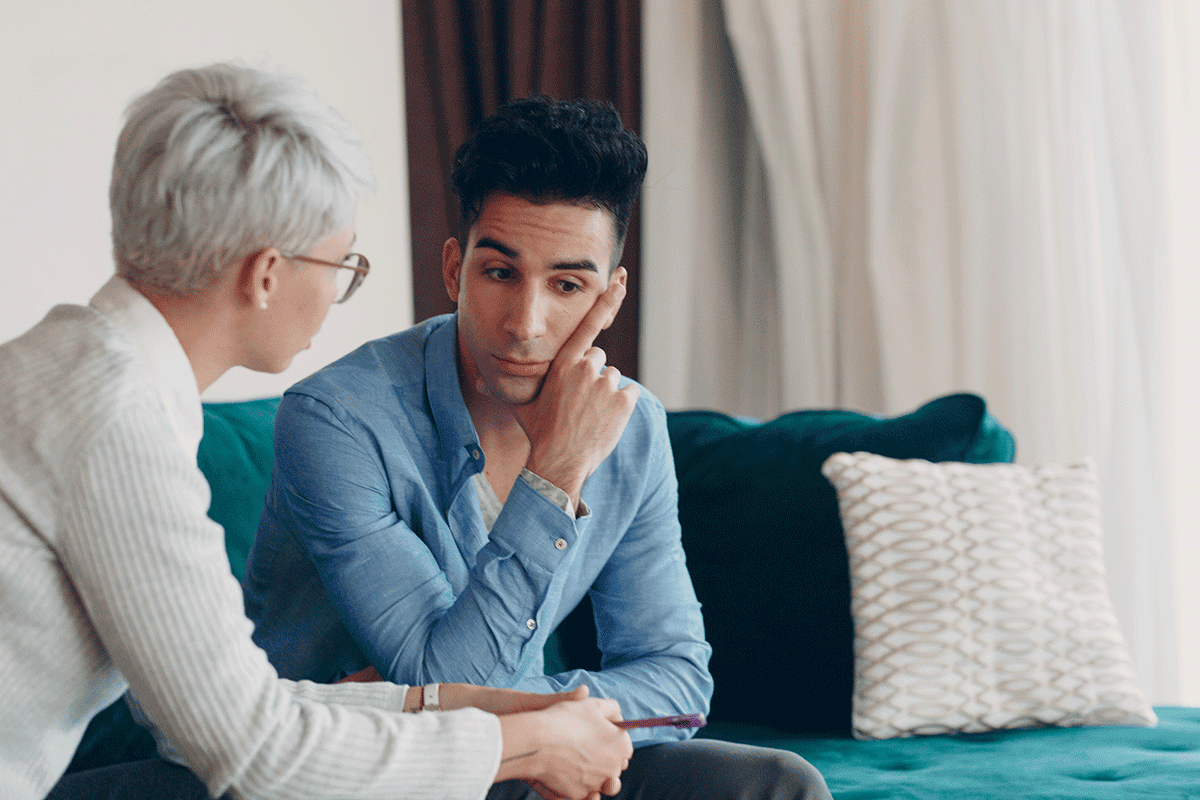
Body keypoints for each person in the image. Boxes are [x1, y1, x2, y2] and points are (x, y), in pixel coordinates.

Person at [0, 65, 634, 800]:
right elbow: (257, 753)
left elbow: (201, 714)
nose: (339, 289)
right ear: (268, 274)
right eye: (343, 262)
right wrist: (524, 744)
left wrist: (458, 706)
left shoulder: (70, 370)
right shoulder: (114, 423)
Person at [243, 95, 833, 800]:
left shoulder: (633, 426)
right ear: (454, 268)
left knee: (774, 784)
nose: (526, 323)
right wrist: (556, 474)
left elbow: (677, 678)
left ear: (609, 297)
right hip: (345, 771)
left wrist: (548, 722)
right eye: (500, 274)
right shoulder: (336, 420)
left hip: (505, 761)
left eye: (567, 285)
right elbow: (441, 682)